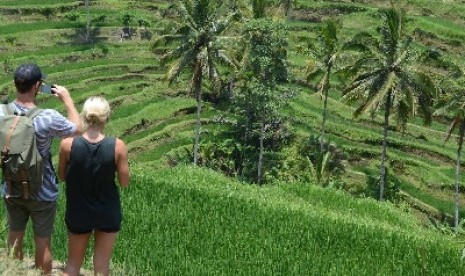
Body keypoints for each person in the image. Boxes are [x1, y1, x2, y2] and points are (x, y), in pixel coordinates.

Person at [1, 63, 82, 274]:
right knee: (42, 242)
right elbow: (78, 130)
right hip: (42, 189)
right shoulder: (48, 117)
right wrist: (67, 100)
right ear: (37, 86)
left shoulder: (1, 112)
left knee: (15, 235)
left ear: (16, 84)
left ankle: (12, 272)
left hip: (11, 185)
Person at [58, 96, 130, 276]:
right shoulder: (118, 146)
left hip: (78, 210)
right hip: (107, 211)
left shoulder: (67, 145)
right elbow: (124, 182)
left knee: (73, 264)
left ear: (84, 115)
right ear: (107, 117)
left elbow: (62, 176)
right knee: (102, 267)